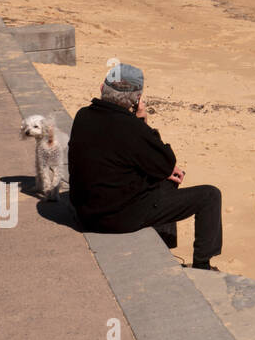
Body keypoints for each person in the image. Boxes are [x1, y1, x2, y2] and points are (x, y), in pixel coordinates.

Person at [68, 63, 223, 270]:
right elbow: (166, 162)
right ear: (137, 99)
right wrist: (142, 120)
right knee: (210, 196)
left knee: (164, 178)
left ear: (101, 88)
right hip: (117, 219)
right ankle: (202, 265)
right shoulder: (131, 128)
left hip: (85, 213)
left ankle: (164, 247)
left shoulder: (82, 115)